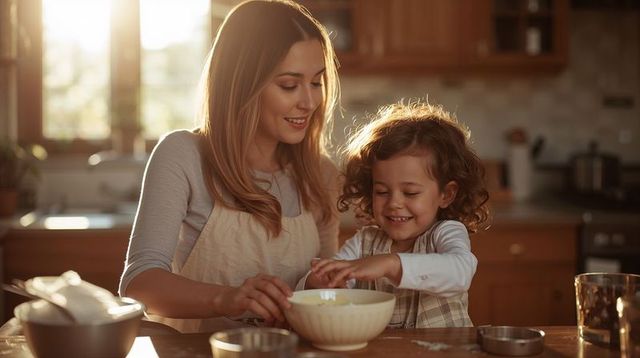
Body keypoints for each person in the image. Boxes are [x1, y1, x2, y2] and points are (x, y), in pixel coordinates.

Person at [119, 0, 342, 333]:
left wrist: (328, 288)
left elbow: (328, 287)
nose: (309, 102)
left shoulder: (320, 174)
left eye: (316, 82)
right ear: (242, 85)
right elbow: (139, 281)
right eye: (289, 85)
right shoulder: (183, 155)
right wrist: (226, 299)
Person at [299, 101, 490, 328]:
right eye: (382, 191)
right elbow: (336, 284)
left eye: (410, 192)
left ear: (446, 194)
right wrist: (316, 282)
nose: (394, 203)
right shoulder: (363, 243)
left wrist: (392, 264)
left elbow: (460, 271)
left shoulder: (445, 232)